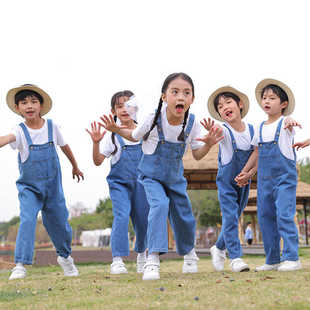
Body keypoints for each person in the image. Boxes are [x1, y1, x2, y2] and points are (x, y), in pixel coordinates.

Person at [99, 72, 223, 280]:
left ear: (192, 99)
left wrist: (209, 143)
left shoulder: (192, 123)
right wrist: (116, 130)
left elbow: (198, 154)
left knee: (184, 215)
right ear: (164, 96)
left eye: (186, 93)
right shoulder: (154, 118)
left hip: (175, 178)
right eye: (175, 92)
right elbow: (134, 135)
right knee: (159, 205)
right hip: (150, 176)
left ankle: (189, 254)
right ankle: (152, 259)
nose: (181, 97)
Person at [0, 84, 84, 280]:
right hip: (30, 188)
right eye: (24, 102)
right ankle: (20, 264)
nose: (29, 106)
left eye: (33, 102)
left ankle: (65, 257)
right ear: (18, 108)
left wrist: (75, 166)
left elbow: (64, 146)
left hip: (53, 187)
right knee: (28, 219)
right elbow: (6, 138)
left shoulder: (52, 126)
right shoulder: (19, 131)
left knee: (60, 224)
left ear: (40, 105)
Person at [235, 78, 302, 272]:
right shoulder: (260, 128)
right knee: (265, 218)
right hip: (264, 182)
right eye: (264, 98)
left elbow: (290, 121)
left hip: (284, 180)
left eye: (272, 98)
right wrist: (246, 172)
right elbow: (256, 153)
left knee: (284, 215)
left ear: (283, 104)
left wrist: (290, 119)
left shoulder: (285, 123)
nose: (266, 101)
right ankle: (272, 259)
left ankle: (292, 257)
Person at [86, 91, 149, 274]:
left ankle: (142, 256)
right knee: (121, 216)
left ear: (136, 108)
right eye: (119, 106)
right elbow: (98, 161)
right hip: (119, 184)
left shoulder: (145, 131)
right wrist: (96, 143)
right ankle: (117, 260)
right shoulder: (111, 136)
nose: (124, 110)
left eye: (128, 105)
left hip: (142, 183)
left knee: (143, 220)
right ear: (113, 110)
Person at [202, 86, 254, 272]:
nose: (224, 107)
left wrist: (249, 174)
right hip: (226, 184)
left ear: (240, 104)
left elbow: (259, 155)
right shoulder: (223, 130)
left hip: (245, 182)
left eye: (228, 102)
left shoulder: (253, 131)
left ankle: (218, 247)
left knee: (234, 218)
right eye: (220, 107)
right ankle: (236, 258)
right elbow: (216, 131)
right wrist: (210, 132)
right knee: (230, 216)